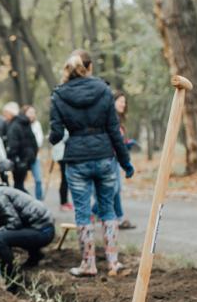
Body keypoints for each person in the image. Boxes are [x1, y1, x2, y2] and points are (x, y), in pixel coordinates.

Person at [49, 50, 133, 277]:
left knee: (83, 213)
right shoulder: (104, 90)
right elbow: (114, 130)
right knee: (108, 209)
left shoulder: (58, 96)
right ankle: (113, 263)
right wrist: (125, 162)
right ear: (88, 68)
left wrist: (53, 137)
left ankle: (89, 264)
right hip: (105, 156)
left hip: (76, 159)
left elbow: (56, 134)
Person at [1, 102, 39, 194]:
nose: (4, 116)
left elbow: (13, 145)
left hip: (19, 159)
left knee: (18, 186)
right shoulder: (24, 123)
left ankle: (29, 204)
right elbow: (34, 142)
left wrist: (11, 156)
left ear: (10, 113)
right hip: (26, 158)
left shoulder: (14, 125)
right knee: (19, 184)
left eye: (5, 113)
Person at [111, 91, 135, 230]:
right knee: (112, 189)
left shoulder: (118, 118)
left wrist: (125, 144)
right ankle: (93, 212)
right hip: (110, 157)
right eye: (120, 101)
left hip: (116, 157)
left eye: (124, 102)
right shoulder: (111, 117)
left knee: (116, 189)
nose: (123, 104)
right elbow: (113, 139)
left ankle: (119, 218)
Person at [24, 105, 45, 200]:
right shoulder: (22, 125)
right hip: (24, 157)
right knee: (22, 181)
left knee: (38, 180)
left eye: (33, 112)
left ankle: (39, 200)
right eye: (30, 112)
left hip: (35, 157)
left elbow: (40, 140)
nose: (32, 115)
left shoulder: (37, 124)